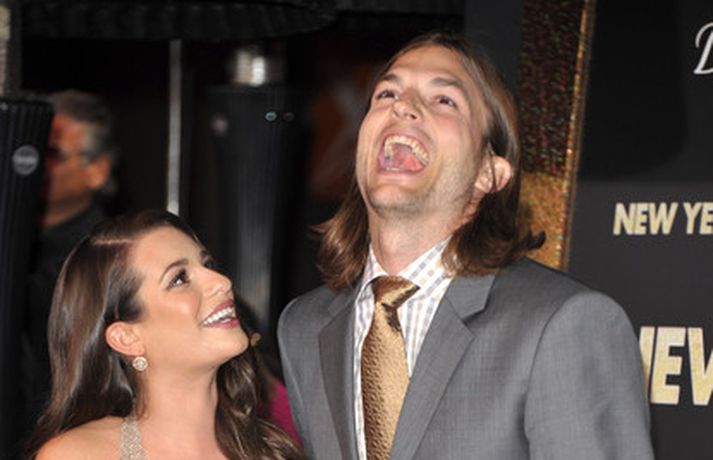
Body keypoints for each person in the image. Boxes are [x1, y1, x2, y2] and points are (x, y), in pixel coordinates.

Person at [278, 32, 654, 460]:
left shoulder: (564, 324)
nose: (402, 107)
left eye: (444, 100)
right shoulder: (303, 327)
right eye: (386, 94)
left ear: (488, 174)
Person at [25, 209, 303, 459]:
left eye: (208, 265)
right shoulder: (78, 455)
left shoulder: (272, 451)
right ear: (127, 338)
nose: (222, 282)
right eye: (180, 279)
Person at [22, 90, 117, 428]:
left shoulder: (104, 252)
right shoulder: (19, 238)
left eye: (52, 153)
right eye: (28, 147)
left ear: (97, 171)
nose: (33, 163)